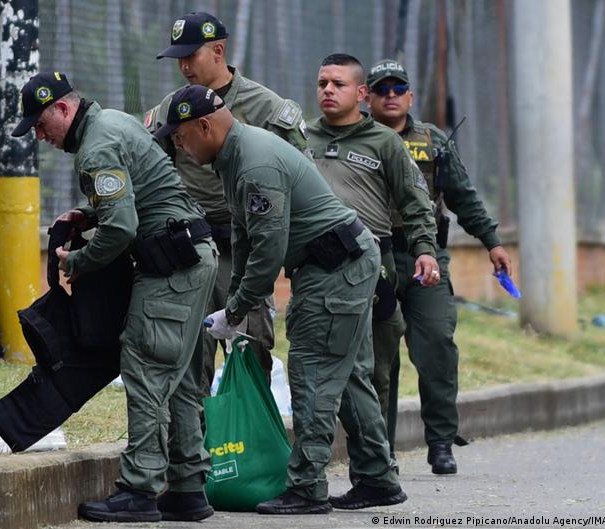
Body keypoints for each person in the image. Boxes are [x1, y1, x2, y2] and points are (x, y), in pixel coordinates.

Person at [159, 84, 407, 514]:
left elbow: (269, 248)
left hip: (334, 269)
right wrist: (236, 299)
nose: (179, 147)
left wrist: (237, 307)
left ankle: (307, 486)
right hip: (340, 262)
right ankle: (377, 478)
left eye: (181, 137)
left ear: (204, 126)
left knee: (311, 370)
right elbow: (243, 234)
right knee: (345, 375)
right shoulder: (232, 156)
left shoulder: (253, 162)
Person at [11, 72, 217, 523]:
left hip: (172, 265)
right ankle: (187, 488)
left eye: (42, 125)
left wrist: (78, 260)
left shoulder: (96, 146)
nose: (41, 136)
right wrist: (88, 214)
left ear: (64, 109)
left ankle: (140, 491)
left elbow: (121, 228)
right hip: (190, 256)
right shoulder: (116, 123)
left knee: (144, 365)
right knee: (176, 374)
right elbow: (135, 195)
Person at [366, 58, 513, 474]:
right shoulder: (356, 139)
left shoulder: (432, 141)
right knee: (379, 358)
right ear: (368, 97)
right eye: (382, 90)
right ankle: (379, 449)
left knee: (436, 348)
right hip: (373, 257)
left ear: (410, 96)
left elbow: (463, 197)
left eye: (398, 89)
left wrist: (492, 242)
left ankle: (441, 442)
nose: (391, 96)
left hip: (424, 257)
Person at [145, 11, 307, 387]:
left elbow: (302, 175)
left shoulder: (265, 107)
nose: (183, 66)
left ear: (218, 51)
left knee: (250, 353)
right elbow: (148, 170)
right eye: (178, 59)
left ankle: (250, 442)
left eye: (191, 56)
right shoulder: (173, 110)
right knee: (190, 357)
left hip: (247, 252)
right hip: (192, 250)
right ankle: (195, 443)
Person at [305, 53, 441, 472]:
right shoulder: (300, 138)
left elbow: (415, 202)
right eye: (323, 82)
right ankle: (318, 466)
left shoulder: (384, 142)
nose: (328, 90)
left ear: (361, 93)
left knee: (374, 371)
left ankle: (378, 463)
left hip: (373, 266)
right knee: (314, 369)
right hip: (315, 270)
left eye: (339, 84)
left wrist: (424, 249)